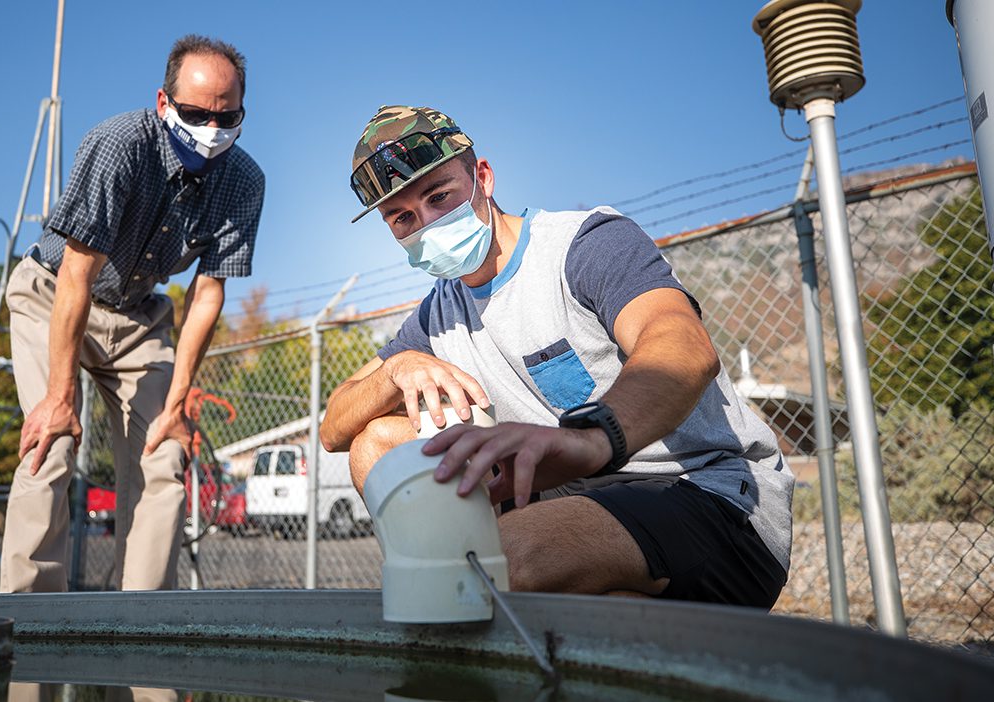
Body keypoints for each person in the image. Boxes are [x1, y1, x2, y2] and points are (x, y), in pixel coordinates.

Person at [319, 106, 793, 608]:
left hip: (704, 492)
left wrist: (594, 437)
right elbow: (333, 428)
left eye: (440, 196)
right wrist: (395, 369)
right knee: (378, 440)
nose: (428, 224)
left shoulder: (582, 245)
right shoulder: (440, 313)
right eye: (403, 217)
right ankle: (442, 610)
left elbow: (682, 345)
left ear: (483, 176)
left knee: (511, 554)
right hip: (569, 498)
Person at [1, 35, 264, 592]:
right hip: (55, 294)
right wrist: (58, 396)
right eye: (196, 114)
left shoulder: (245, 180)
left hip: (139, 317)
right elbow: (77, 272)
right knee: (52, 444)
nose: (212, 130)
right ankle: (28, 624)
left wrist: (178, 401)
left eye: (227, 116)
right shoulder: (119, 144)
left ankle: (141, 633)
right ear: (164, 103)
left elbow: (207, 293)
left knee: (164, 455)